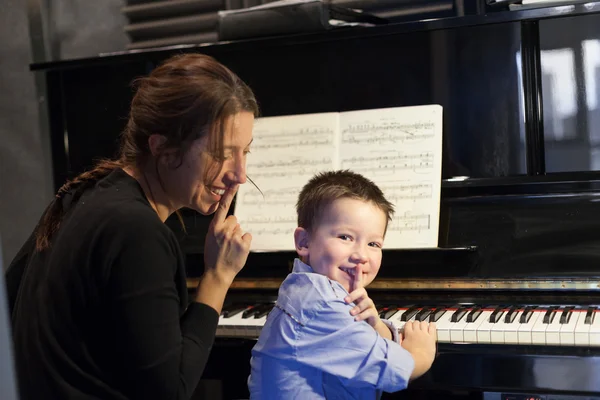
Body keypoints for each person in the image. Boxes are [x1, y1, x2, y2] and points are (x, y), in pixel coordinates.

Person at [5, 53, 258, 400]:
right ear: (163, 149)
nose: (240, 174)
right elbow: (171, 390)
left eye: (246, 151)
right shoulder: (137, 232)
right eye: (222, 153)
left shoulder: (88, 192)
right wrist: (217, 276)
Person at [248, 170, 437, 399]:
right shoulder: (321, 301)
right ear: (304, 241)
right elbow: (390, 372)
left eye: (373, 243)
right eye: (345, 237)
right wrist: (420, 353)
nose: (361, 255)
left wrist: (375, 326)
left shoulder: (309, 288)